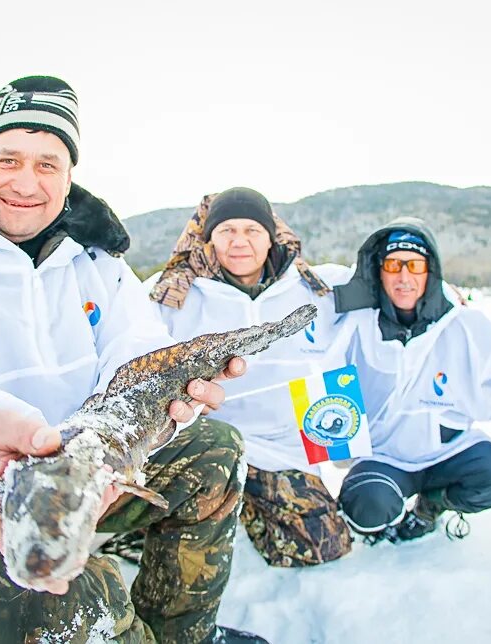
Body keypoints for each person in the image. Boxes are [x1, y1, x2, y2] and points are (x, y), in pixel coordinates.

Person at [0, 76, 266, 644]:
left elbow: (133, 349)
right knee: (67, 611)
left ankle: (182, 633)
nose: (26, 183)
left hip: (89, 472)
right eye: (8, 159)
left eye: (47, 164)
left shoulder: (95, 261)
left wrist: (150, 404)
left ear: (68, 176)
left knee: (213, 451)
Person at [147, 187, 355, 568]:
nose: (239, 242)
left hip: (283, 453)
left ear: (271, 236)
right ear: (209, 238)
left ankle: (248, 512)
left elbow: (392, 280)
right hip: (205, 451)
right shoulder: (173, 294)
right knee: (166, 549)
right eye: (227, 230)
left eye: (251, 231)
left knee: (324, 547)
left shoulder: (318, 288)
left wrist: (443, 291)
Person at [332, 218, 491, 543]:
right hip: (385, 456)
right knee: (365, 503)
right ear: (379, 270)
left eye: (414, 265)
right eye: (393, 264)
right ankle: (380, 521)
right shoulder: (357, 326)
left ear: (429, 271)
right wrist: (338, 447)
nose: (404, 277)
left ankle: (431, 505)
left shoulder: (462, 324)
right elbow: (322, 370)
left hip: (447, 452)